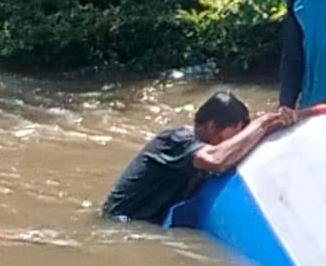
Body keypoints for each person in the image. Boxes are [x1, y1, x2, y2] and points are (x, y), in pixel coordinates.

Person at [102, 91, 292, 223]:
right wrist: (263, 123)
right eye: (235, 133)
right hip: (120, 221)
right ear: (211, 126)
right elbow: (216, 161)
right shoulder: (175, 138)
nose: (237, 140)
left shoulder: (196, 147)